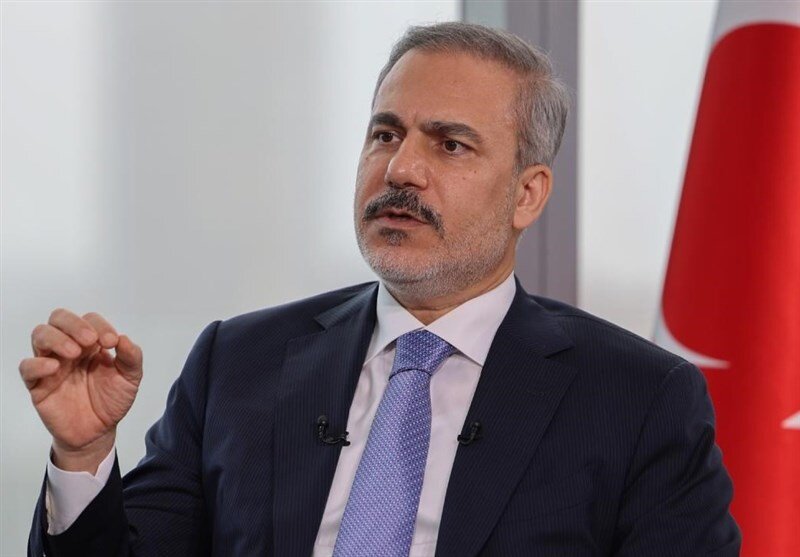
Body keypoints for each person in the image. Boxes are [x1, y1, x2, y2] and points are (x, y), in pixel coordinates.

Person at [21, 22, 741, 557]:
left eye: (449, 145)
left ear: (527, 194)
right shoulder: (237, 362)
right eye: (386, 134)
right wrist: (83, 457)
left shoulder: (637, 400)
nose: (400, 170)